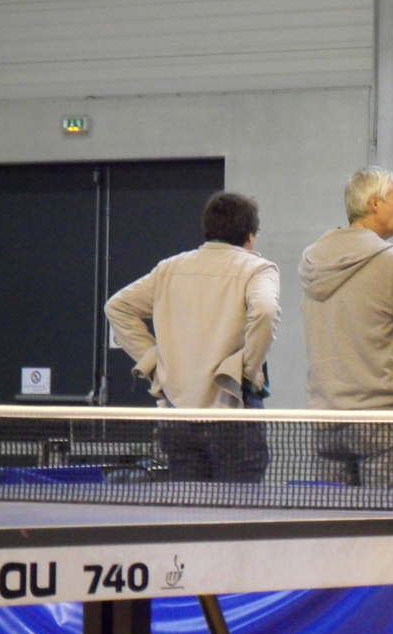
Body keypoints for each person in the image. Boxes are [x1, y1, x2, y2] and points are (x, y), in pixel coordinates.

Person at [105, 191, 280, 481]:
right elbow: (265, 311)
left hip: (178, 418)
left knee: (188, 507)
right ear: (250, 236)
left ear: (208, 230)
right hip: (234, 415)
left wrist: (154, 362)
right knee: (240, 508)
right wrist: (247, 369)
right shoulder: (257, 269)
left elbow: (117, 307)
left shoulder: (169, 269)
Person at [300, 167, 393, 487]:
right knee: (385, 518)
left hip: (325, 422)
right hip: (383, 422)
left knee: (336, 519)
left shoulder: (311, 260)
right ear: (374, 203)